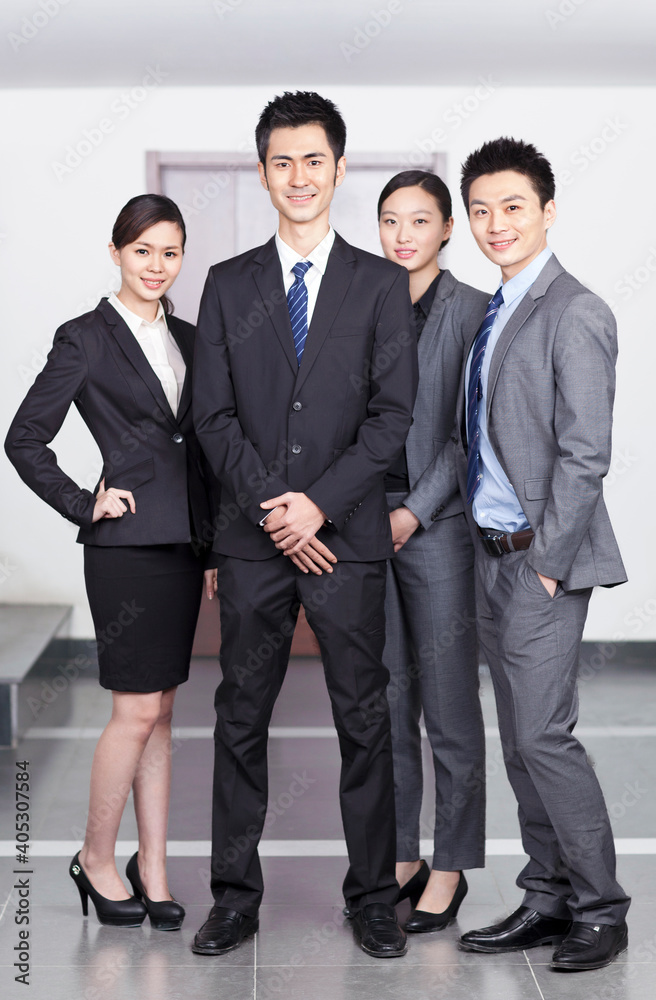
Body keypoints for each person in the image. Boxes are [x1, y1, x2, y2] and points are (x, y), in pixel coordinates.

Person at [191, 91, 418, 959]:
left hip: (345, 540)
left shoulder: (376, 283)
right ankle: (233, 898)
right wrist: (274, 512)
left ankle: (370, 899)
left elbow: (390, 418)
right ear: (262, 172)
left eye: (313, 160)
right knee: (239, 717)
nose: (297, 176)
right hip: (253, 545)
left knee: (363, 719)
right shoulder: (227, 284)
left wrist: (318, 504)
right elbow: (211, 419)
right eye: (280, 161)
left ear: (337, 168)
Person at [398, 137, 630, 971]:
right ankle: (545, 896)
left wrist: (543, 562)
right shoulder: (494, 314)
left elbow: (584, 454)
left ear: (547, 212)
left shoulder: (575, 310)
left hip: (541, 558)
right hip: (488, 555)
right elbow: (472, 440)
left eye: (513, 207)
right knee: (517, 738)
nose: (497, 224)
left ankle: (601, 907)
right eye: (483, 210)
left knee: (542, 737)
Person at [5, 194, 217, 931]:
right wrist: (81, 501)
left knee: (163, 712)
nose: (156, 265)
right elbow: (24, 438)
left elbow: (208, 450)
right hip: (126, 551)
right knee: (134, 711)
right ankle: (95, 857)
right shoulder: (85, 338)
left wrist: (215, 543)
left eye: (170, 252)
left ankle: (152, 866)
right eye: (142, 251)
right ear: (116, 252)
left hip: (186, 545)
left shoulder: (193, 337)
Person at [377, 170, 487, 932]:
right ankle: (401, 857)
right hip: (363, 525)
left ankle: (449, 866)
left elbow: (465, 432)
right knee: (385, 704)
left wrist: (414, 511)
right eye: (390, 220)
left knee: (447, 705)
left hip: (437, 526)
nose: (403, 234)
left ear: (446, 228)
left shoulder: (474, 310)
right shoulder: (361, 306)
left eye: (419, 220)